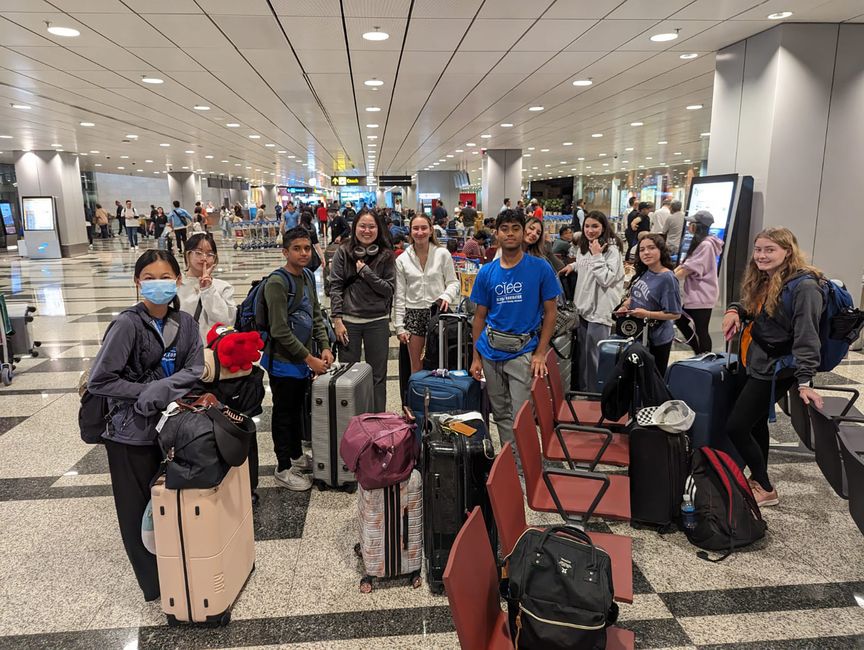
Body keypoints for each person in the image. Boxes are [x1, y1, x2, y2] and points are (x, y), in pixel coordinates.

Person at [88, 250, 204, 602]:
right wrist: (144, 392)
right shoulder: (127, 325)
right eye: (149, 278)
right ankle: (154, 586)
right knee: (135, 509)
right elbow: (100, 381)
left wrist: (161, 390)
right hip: (129, 434)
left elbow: (195, 368)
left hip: (171, 428)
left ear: (178, 280)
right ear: (137, 283)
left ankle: (178, 570)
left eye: (165, 277)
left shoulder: (185, 324)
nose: (158, 284)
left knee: (167, 505)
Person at [722, 228, 827, 508]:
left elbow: (807, 336)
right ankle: (759, 479)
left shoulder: (805, 287)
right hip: (757, 360)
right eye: (758, 249)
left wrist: (805, 381)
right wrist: (734, 310)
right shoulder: (768, 279)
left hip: (778, 368)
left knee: (737, 426)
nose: (761, 255)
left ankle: (766, 488)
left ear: (787, 251)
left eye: (770, 250)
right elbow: (755, 310)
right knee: (754, 424)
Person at [469, 210, 560, 460]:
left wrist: (540, 352)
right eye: (505, 228)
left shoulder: (540, 267)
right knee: (500, 412)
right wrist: (476, 357)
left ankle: (527, 463)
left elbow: (551, 313)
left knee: (522, 414)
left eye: (515, 228)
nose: (510, 233)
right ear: (496, 233)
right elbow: (479, 317)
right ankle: (511, 460)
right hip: (490, 350)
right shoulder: (487, 272)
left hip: (523, 351)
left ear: (523, 232)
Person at [259, 227, 334, 491]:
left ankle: (295, 455)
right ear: (285, 251)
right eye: (297, 248)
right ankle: (282, 467)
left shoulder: (307, 277)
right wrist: (308, 359)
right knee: (283, 414)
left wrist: (324, 345)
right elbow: (279, 330)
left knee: (295, 412)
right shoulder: (277, 283)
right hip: (282, 362)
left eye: (307, 248)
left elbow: (315, 314)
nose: (303, 253)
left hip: (301, 362)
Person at [329, 211, 395, 412]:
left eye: (372, 227)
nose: (367, 231)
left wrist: (366, 273)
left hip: (378, 321)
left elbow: (389, 289)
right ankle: (351, 424)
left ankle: (377, 423)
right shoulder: (343, 251)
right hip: (349, 322)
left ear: (378, 229)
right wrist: (337, 320)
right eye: (362, 226)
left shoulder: (386, 254)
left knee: (378, 376)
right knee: (348, 376)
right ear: (355, 227)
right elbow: (336, 286)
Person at [560, 211, 625, 390]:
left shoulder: (611, 249)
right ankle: (583, 391)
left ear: (603, 227)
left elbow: (606, 278)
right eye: (587, 226)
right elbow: (585, 266)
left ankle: (597, 396)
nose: (590, 230)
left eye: (595, 226)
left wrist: (597, 255)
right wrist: (572, 266)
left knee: (596, 357)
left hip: (600, 311)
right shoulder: (585, 246)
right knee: (583, 355)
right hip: (583, 309)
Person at [394, 214, 460, 374]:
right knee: (416, 367)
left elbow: (454, 282)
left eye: (424, 228)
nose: (420, 232)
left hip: (438, 314)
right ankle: (416, 398)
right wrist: (399, 326)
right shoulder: (402, 259)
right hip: (413, 314)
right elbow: (399, 295)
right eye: (415, 228)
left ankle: (438, 397)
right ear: (410, 232)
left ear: (431, 230)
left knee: (440, 365)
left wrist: (446, 296)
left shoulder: (442, 254)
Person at [616, 233, 682, 375]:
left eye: (651, 248)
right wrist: (626, 305)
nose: (646, 252)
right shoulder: (645, 271)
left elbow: (675, 314)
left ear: (660, 250)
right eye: (642, 249)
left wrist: (647, 314)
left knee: (653, 380)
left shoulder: (667, 278)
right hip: (639, 334)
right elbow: (636, 295)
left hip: (657, 340)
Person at [675, 211, 723, 354]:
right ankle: (699, 353)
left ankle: (703, 357)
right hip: (697, 294)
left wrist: (669, 278)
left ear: (699, 226)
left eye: (692, 223)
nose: (689, 226)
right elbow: (685, 265)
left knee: (701, 329)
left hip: (702, 294)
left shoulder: (706, 245)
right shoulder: (701, 243)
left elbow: (689, 268)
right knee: (683, 322)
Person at [177, 233, 236, 339]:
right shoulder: (176, 285)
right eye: (198, 253)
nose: (204, 258)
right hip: (183, 350)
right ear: (187, 254)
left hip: (213, 349)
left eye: (209, 254)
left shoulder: (223, 287)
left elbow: (227, 323)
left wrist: (208, 290)